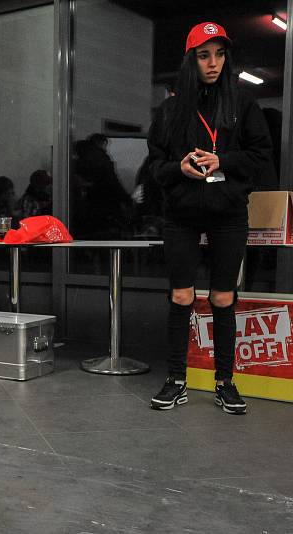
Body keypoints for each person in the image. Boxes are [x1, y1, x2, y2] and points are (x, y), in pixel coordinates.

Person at [147, 22, 272, 414]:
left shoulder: (243, 103)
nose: (213, 63)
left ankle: (225, 382)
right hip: (181, 214)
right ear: (192, 60)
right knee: (181, 295)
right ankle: (175, 379)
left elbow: (260, 154)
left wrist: (225, 160)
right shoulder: (171, 108)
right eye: (204, 55)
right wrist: (178, 168)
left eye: (219, 54)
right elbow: (155, 162)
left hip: (228, 213)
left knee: (223, 297)